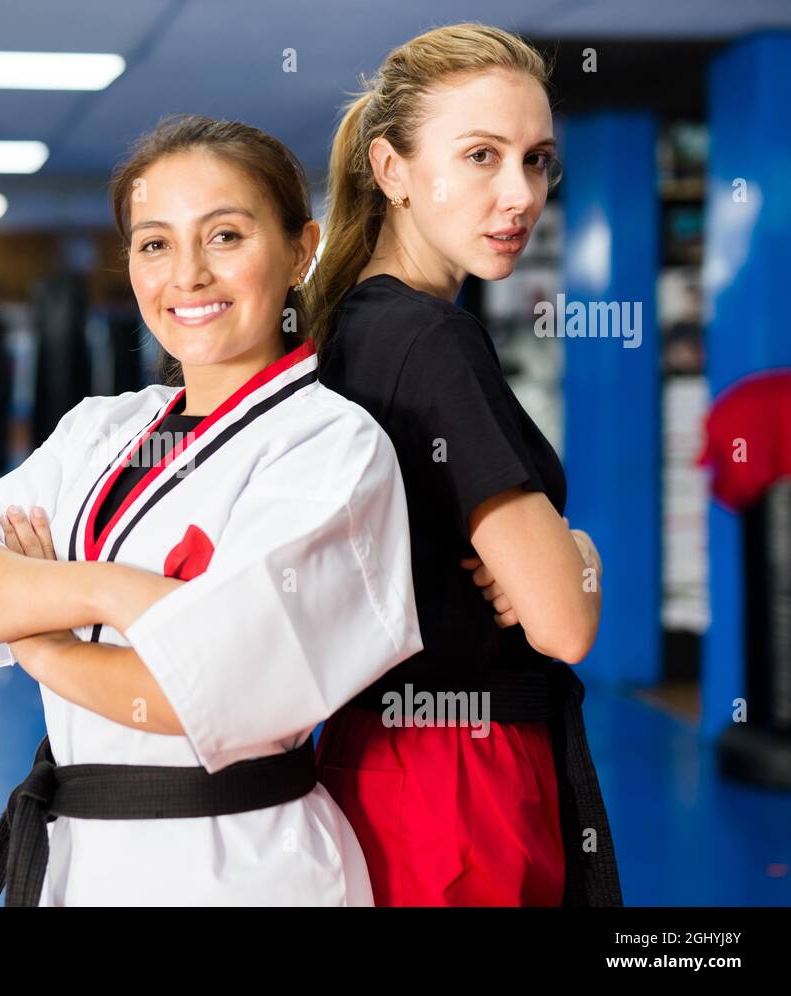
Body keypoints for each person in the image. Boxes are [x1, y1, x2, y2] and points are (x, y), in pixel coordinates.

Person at [0, 114, 421, 906]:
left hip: (243, 864)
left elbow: (204, 692)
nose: (188, 275)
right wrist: (107, 589)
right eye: (154, 243)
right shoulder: (97, 431)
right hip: (78, 858)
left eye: (225, 237)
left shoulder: (332, 448)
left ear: (300, 249)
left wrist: (38, 643)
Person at [308, 23, 621, 906]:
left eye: (538, 160)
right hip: (461, 788)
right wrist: (580, 556)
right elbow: (563, 623)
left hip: (376, 758)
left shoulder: (347, 329)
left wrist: (564, 554)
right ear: (392, 169)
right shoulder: (433, 340)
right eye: (481, 156)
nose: (520, 194)